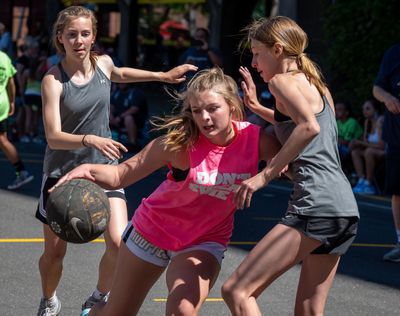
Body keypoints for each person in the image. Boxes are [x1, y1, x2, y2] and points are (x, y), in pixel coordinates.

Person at [52, 67, 281, 316]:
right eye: (196, 111)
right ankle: (94, 312)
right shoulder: (179, 144)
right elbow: (121, 175)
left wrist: (260, 112)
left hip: (204, 240)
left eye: (212, 108)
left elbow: (300, 139)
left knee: (182, 310)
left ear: (232, 106)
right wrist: (86, 169)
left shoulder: (256, 141)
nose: (204, 118)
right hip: (149, 233)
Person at [35, 6, 197, 316]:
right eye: (72, 35)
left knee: (119, 243)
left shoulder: (104, 64)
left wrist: (161, 75)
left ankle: (98, 296)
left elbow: (120, 74)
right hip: (61, 171)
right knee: (54, 254)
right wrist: (89, 139)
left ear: (93, 36)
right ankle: (49, 299)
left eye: (85, 34)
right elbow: (54, 136)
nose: (79, 40)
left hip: (103, 169)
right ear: (61, 38)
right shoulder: (53, 80)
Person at [221, 16, 359, 316]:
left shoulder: (281, 81)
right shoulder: (316, 85)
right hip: (344, 209)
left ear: (278, 50)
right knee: (309, 310)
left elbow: (308, 128)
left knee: (237, 291)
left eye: (258, 53)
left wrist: (264, 175)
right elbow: (304, 126)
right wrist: (258, 109)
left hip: (316, 204)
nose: (255, 63)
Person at [373, 43, 400, 262]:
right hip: (397, 135)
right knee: (397, 190)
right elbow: (377, 88)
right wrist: (388, 98)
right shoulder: (393, 53)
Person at [0, 50, 34, 190]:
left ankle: (22, 172)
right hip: (2, 103)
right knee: (3, 140)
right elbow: (11, 83)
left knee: (3, 140)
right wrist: (12, 101)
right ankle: (21, 171)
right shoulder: (4, 57)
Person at [350, 99, 385, 195]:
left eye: (368, 108)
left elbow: (381, 145)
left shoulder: (381, 121)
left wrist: (361, 143)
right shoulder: (367, 122)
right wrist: (358, 143)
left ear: (376, 110)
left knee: (368, 151)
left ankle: (369, 184)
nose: (364, 111)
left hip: (384, 151)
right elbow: (366, 142)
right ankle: (361, 180)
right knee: (355, 151)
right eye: (363, 109)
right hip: (372, 151)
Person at [109, 82, 148, 152]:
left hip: (135, 120)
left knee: (128, 118)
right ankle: (108, 141)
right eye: (119, 82)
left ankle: (133, 143)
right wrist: (111, 115)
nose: (120, 84)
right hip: (117, 119)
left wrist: (120, 117)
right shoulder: (116, 93)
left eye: (123, 82)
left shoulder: (136, 92)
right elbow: (111, 106)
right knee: (106, 114)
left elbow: (134, 109)